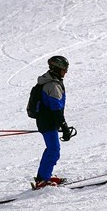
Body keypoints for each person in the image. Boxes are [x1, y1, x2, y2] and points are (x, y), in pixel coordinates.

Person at [33, 56, 74, 189]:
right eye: (64, 70)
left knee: (52, 149)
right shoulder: (52, 85)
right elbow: (56, 108)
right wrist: (64, 126)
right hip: (48, 122)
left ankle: (43, 177)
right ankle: (42, 180)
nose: (65, 72)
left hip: (47, 121)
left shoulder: (51, 82)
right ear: (57, 69)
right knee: (54, 150)